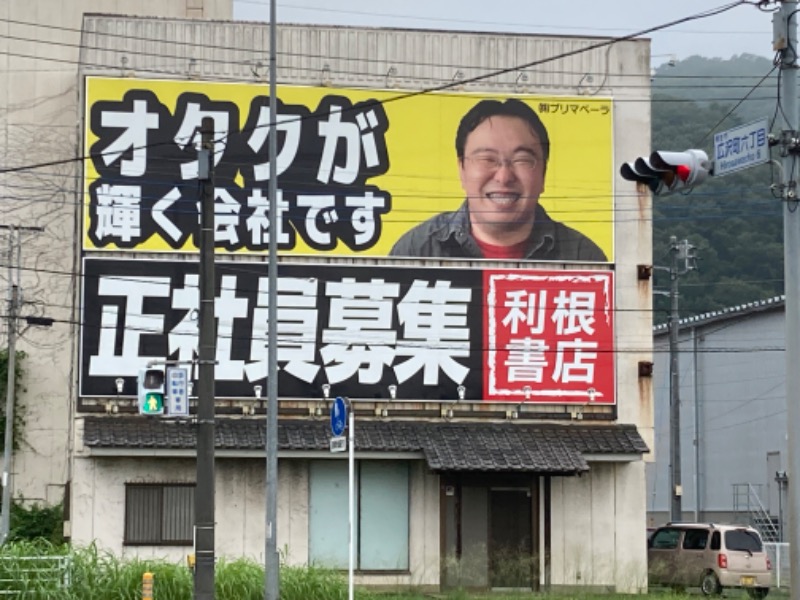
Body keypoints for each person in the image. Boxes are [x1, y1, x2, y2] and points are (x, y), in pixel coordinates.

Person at [389, 98, 607, 261]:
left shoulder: (582, 256)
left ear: (543, 174)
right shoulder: (416, 249)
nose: (504, 176)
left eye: (522, 160)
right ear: (461, 170)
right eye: (487, 159)